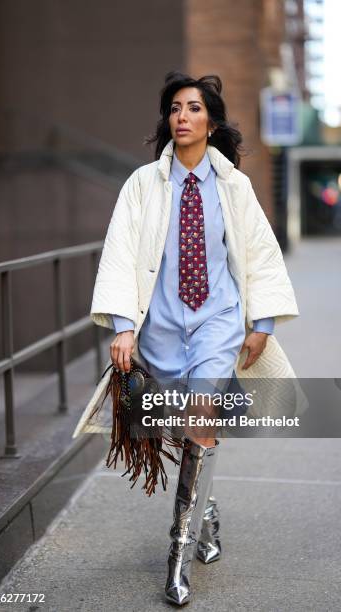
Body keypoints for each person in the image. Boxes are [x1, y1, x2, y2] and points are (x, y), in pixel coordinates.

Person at [89, 71, 299, 606]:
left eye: (193, 108)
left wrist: (263, 323)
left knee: (201, 417)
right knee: (181, 428)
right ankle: (204, 509)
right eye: (175, 109)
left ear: (211, 122)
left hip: (217, 319)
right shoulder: (141, 185)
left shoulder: (233, 185)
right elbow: (118, 252)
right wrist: (123, 327)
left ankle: (177, 555)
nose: (182, 117)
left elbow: (256, 252)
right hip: (159, 325)